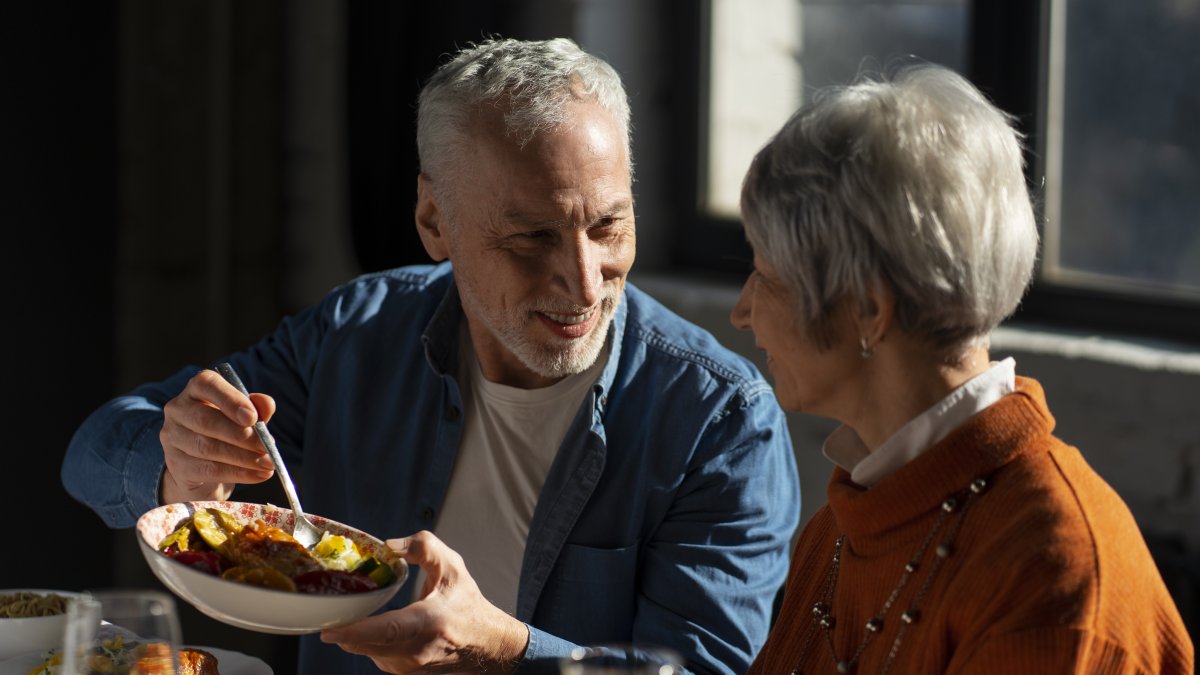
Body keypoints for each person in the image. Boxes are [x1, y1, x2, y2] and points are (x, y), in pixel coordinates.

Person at [62, 37, 801, 675]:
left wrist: (504, 653)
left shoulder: (721, 421)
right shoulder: (357, 333)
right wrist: (180, 467)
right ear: (433, 220)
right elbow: (92, 452)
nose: (584, 283)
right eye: (532, 238)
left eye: (608, 226)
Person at [730, 64, 1194, 674]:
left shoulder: (1050, 575)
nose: (742, 311)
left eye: (765, 275)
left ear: (867, 309)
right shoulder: (846, 524)